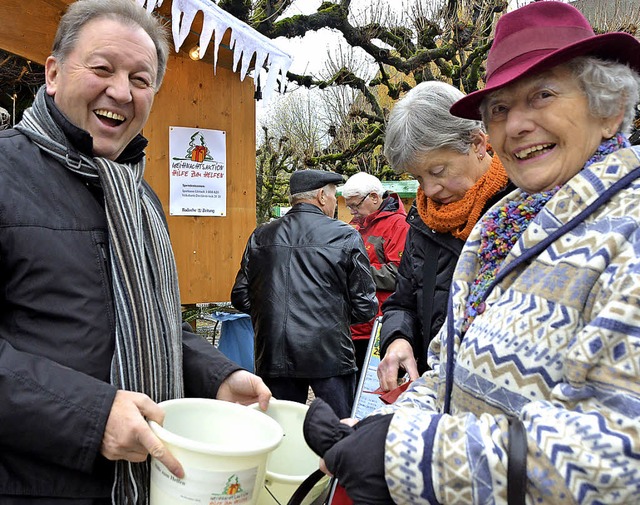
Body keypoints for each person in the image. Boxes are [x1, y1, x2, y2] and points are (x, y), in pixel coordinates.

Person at [303, 2, 640, 504]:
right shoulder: (500, 229)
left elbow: (622, 457)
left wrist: (406, 455)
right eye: (500, 108)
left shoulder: (627, 232)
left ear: (608, 110)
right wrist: (382, 425)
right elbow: (448, 371)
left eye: (542, 95)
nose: (517, 124)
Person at [0, 0, 272, 503]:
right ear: (54, 74)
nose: (121, 92)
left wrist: (218, 376)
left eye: (141, 80)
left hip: (150, 483)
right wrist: (92, 415)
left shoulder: (140, 197)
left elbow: (151, 321)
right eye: (102, 69)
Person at [377, 80, 514, 391]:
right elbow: (402, 302)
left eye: (437, 171)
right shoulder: (422, 224)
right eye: (417, 177)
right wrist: (398, 339)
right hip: (432, 394)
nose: (428, 190)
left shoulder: (519, 209)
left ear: (477, 143)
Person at [231, 169, 378, 418]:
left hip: (273, 350)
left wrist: (272, 315)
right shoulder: (345, 235)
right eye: (334, 197)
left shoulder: (261, 235)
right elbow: (365, 306)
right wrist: (330, 320)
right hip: (330, 350)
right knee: (338, 431)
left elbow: (240, 296)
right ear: (321, 196)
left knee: (280, 433)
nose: (335, 203)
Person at [340, 172, 409, 383]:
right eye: (349, 206)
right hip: (353, 326)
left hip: (378, 327)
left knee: (374, 388)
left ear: (374, 197)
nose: (351, 211)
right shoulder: (355, 225)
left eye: (355, 205)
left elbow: (400, 274)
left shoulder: (399, 225)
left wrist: (355, 271)